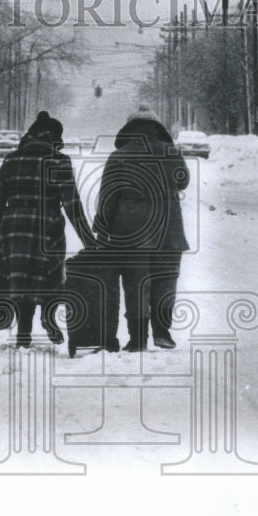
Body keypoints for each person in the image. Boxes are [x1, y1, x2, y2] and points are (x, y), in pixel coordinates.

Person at [0, 111, 96, 347]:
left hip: (14, 226)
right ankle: (48, 317)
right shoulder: (59, 161)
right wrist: (90, 242)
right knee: (51, 275)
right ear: (55, 139)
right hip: (47, 226)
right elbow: (72, 205)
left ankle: (23, 336)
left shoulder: (12, 160)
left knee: (21, 281)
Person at [93, 104, 189, 351]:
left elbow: (107, 197)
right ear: (157, 128)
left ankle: (138, 340)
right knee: (165, 280)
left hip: (129, 230)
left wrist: (102, 227)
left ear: (129, 129)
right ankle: (162, 332)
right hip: (169, 230)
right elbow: (183, 181)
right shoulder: (171, 152)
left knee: (136, 283)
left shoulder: (119, 156)